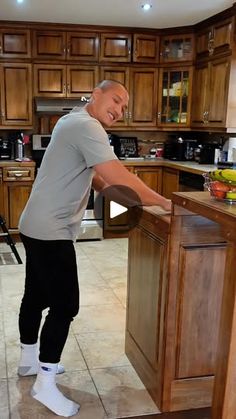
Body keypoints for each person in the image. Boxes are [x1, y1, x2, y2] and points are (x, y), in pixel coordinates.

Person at [17, 79, 171, 417]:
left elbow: (102, 180)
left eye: (124, 107)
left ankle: (29, 361)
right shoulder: (87, 125)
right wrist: (164, 202)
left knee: (36, 295)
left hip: (33, 224)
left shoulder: (71, 122)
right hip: (52, 229)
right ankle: (45, 382)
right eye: (115, 99)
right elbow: (116, 174)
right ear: (96, 95)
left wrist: (136, 205)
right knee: (65, 305)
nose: (118, 110)